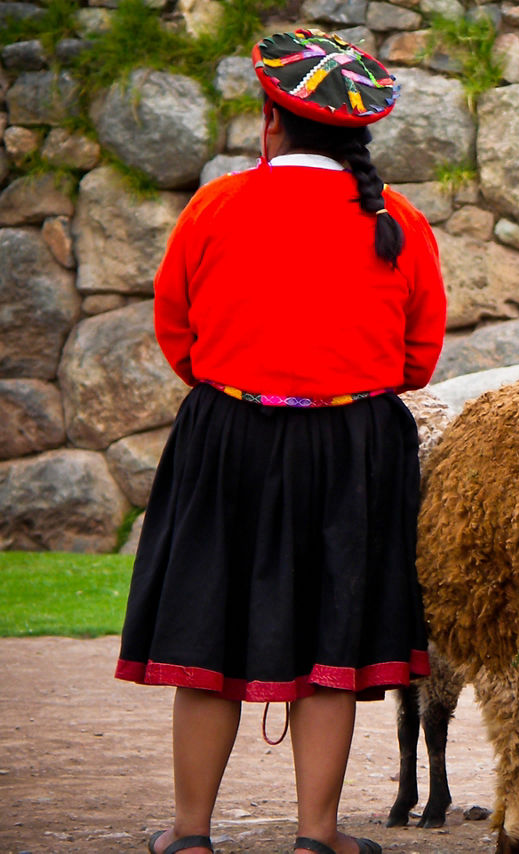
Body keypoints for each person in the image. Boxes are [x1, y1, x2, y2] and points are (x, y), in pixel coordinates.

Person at [115, 30, 447, 854]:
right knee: (332, 644)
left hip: (228, 439)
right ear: (360, 137)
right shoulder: (398, 224)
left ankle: (190, 833)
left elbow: (179, 336)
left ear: (271, 121)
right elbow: (418, 359)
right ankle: (318, 833)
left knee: (208, 633)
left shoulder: (215, 207)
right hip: (354, 451)